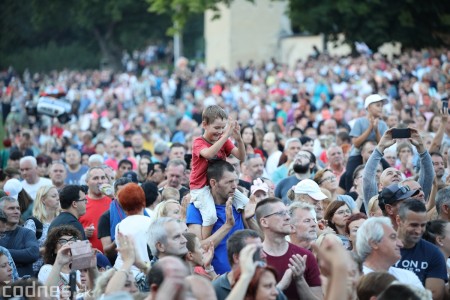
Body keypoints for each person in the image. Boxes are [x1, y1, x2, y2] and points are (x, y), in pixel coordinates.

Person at [189, 105, 247, 239]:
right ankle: (205, 243)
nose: (220, 131)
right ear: (205, 124)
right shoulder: (198, 142)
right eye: (216, 128)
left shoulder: (223, 140)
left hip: (219, 185)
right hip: (200, 187)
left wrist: (238, 139)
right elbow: (209, 154)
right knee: (210, 216)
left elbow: (241, 156)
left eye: (222, 127)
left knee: (245, 202)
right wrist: (226, 134)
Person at [187, 160, 247, 275]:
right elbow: (198, 248)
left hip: (245, 275)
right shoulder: (196, 208)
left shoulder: (238, 204)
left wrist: (249, 218)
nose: (235, 186)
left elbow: (261, 238)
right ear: (213, 183)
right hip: (215, 279)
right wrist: (227, 226)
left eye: (235, 180)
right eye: (229, 182)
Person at [255, 197, 322, 299]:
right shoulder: (253, 258)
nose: (287, 217)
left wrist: (300, 280)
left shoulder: (305, 256)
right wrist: (281, 286)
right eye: (280, 213)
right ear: (264, 222)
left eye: (287, 213)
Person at [363, 128, 433, 210]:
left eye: (399, 174)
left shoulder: (414, 197)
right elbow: (368, 178)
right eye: (389, 173)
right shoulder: (375, 202)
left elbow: (428, 177)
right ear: (380, 186)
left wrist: (421, 147)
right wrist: (380, 147)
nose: (395, 174)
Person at [212, 229, 287, 300]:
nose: (264, 255)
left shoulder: (270, 287)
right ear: (237, 258)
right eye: (256, 252)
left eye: (262, 250)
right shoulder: (216, 289)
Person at [395, 199, 447, 299]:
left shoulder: (433, 254)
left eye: (423, 225)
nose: (419, 231)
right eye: (414, 225)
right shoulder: (383, 249)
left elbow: (434, 296)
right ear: (398, 220)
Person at [356, 216, 423, 288]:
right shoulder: (354, 280)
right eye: (393, 237)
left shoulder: (408, 277)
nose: (401, 244)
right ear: (374, 243)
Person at [113, 183, 152, 290]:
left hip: (124, 275)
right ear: (143, 202)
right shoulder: (152, 222)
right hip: (145, 274)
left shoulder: (120, 226)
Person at [23, 185, 60, 274]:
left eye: (58, 196)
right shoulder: (33, 223)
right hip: (36, 272)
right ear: (43, 200)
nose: (58, 198)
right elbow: (26, 251)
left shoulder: (61, 220)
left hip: (57, 270)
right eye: (53, 196)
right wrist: (47, 249)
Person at [0, 196, 39, 277]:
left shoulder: (27, 233)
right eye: (11, 208)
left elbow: (33, 254)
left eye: (18, 208)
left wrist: (3, 252)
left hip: (23, 286)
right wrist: (21, 255)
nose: (16, 211)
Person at [79, 167, 112, 252]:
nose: (100, 181)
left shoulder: (113, 201)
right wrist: (82, 233)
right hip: (89, 257)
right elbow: (70, 231)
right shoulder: (80, 202)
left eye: (103, 177)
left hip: (113, 256)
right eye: (95, 178)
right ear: (87, 182)